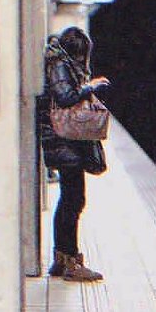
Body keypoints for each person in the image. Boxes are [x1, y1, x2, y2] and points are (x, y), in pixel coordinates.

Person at [38, 26, 109, 282]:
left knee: (70, 199)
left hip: (63, 139)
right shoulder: (59, 64)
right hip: (62, 139)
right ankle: (70, 261)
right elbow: (65, 96)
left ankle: (62, 258)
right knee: (74, 199)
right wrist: (90, 86)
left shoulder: (58, 60)